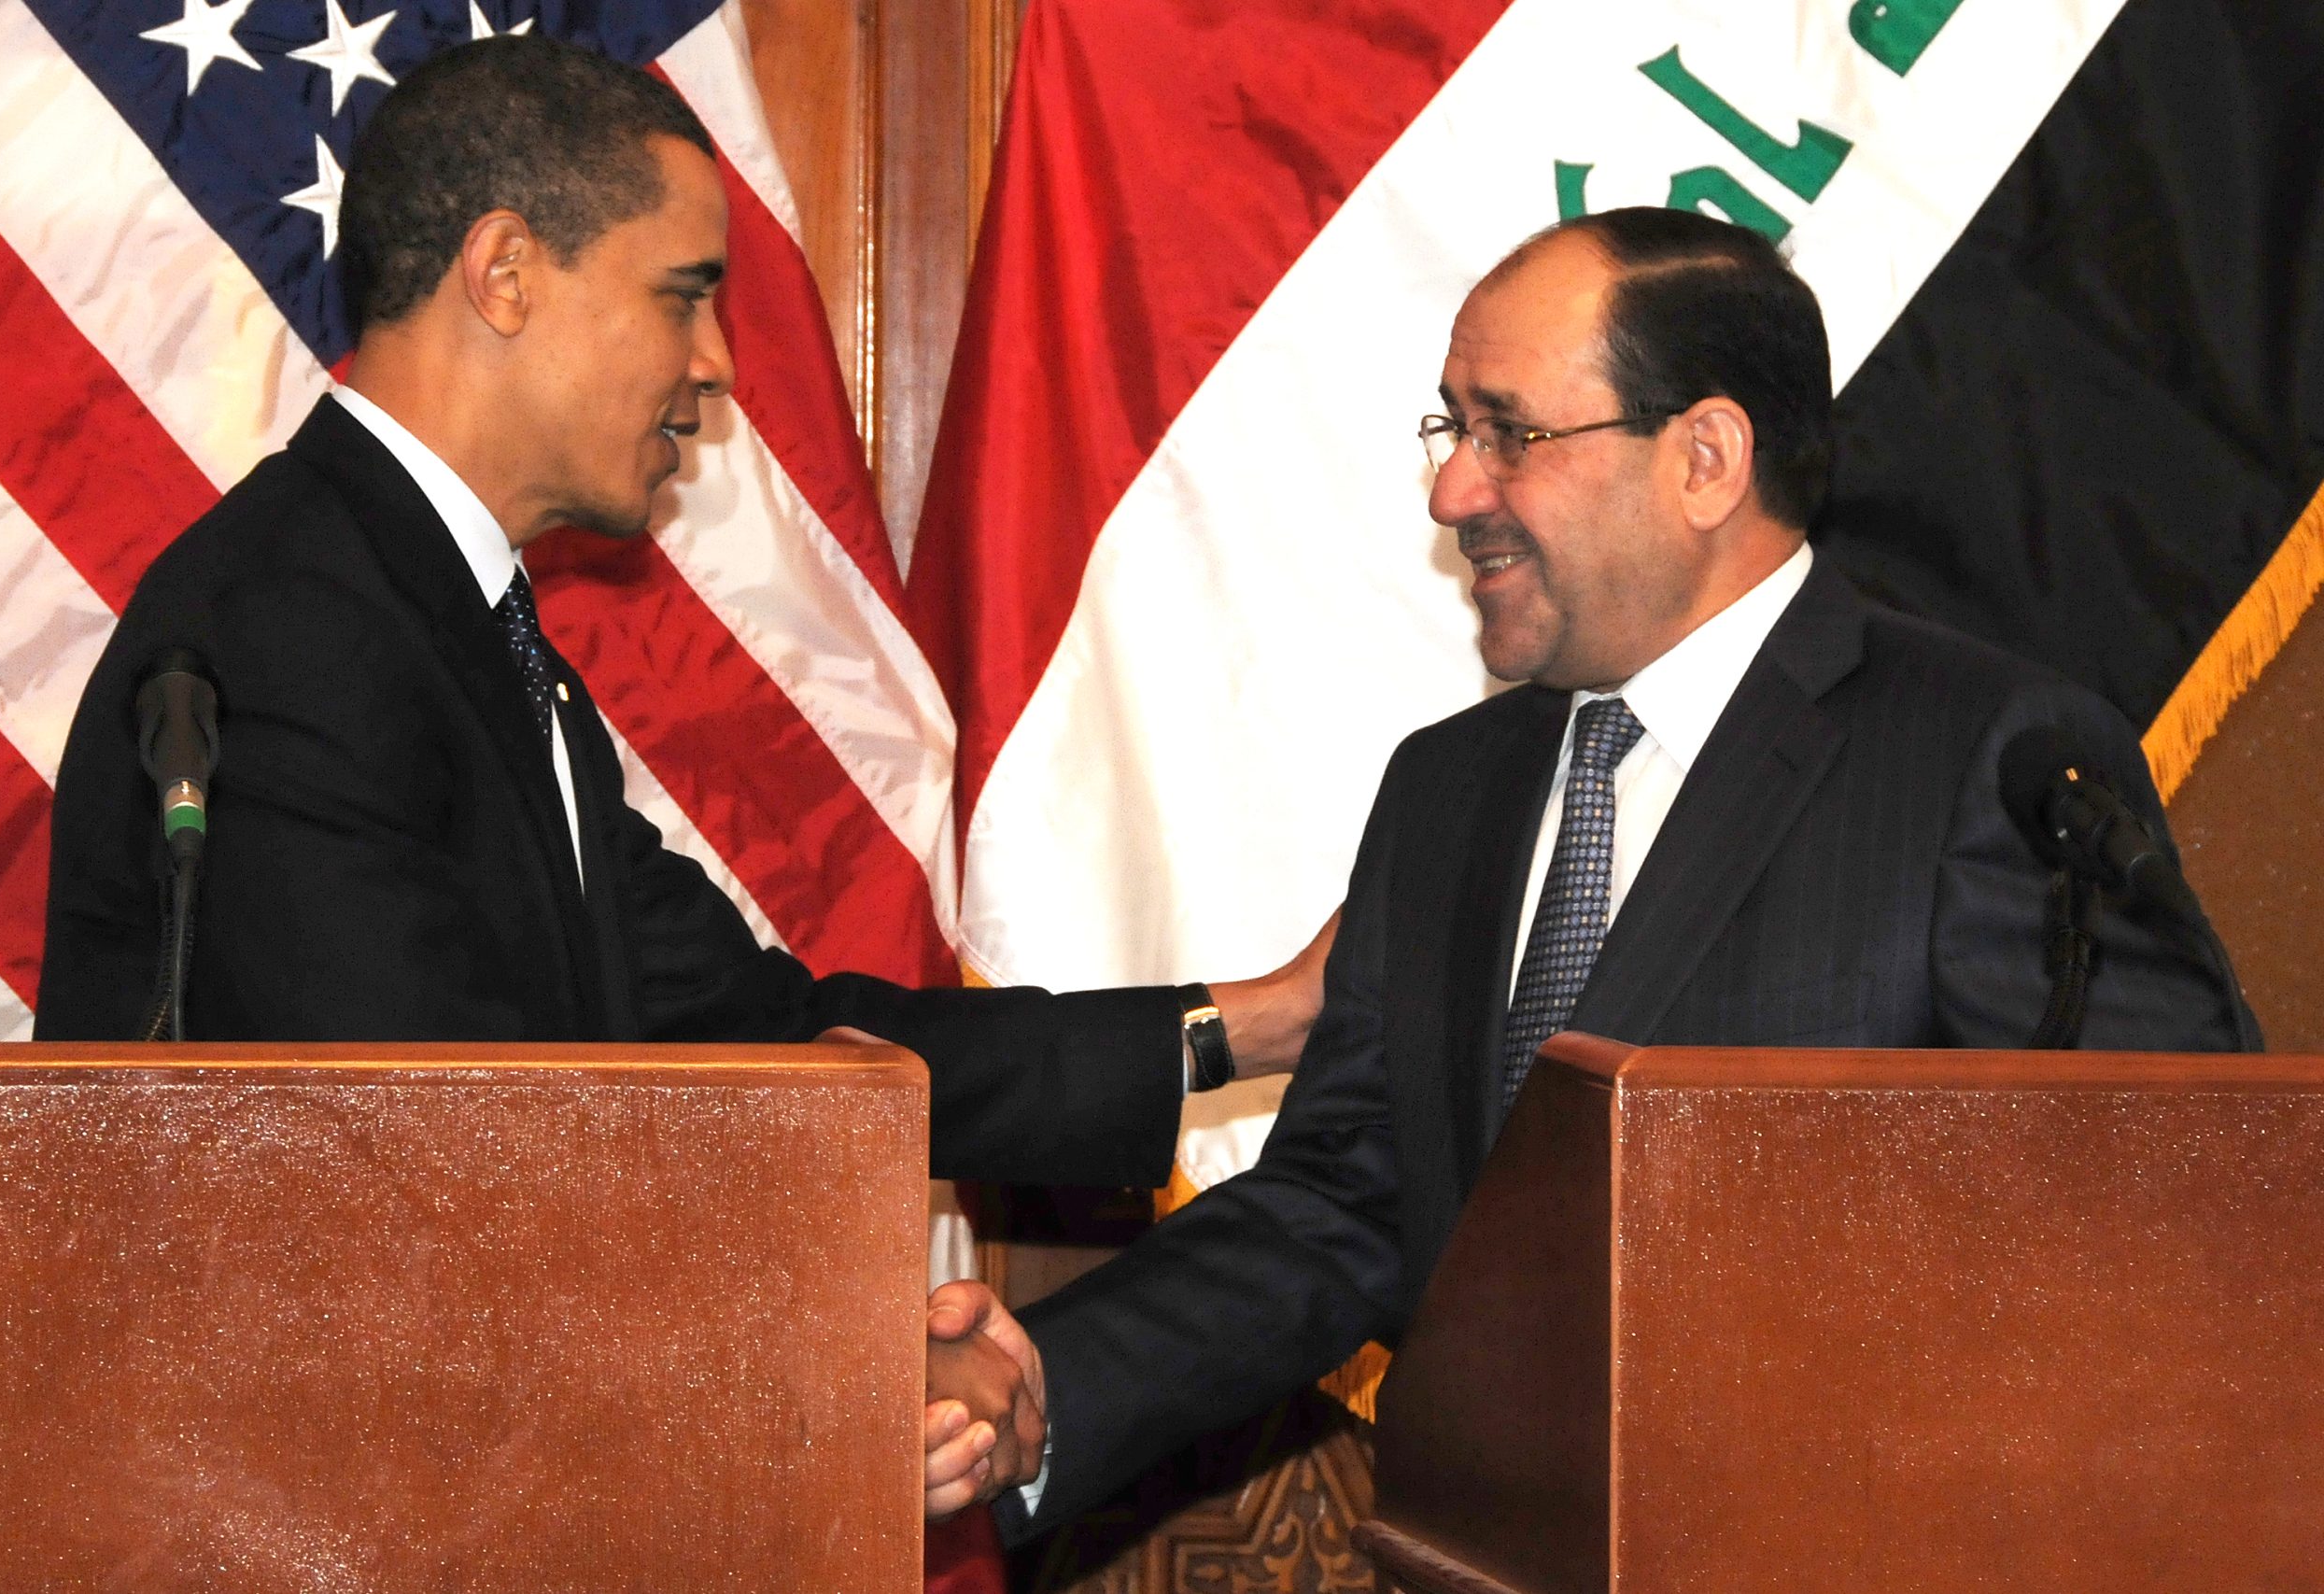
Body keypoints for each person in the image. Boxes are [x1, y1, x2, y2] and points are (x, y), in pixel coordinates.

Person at [29, 35, 1326, 1493]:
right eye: (686, 295)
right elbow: (438, 1167)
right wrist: (852, 1360)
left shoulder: (437, 620)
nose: (715, 364)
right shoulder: (293, 632)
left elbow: (750, 1034)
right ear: (506, 273)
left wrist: (1259, 1022)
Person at [932, 206, 2259, 1535]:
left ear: (1705, 459)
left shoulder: (1985, 757)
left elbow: (2186, 1230)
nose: (1454, 491)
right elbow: (1346, 1204)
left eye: (1511, 431)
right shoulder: (1448, 786)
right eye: (1453, 430)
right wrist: (1050, 1372)